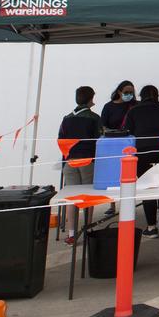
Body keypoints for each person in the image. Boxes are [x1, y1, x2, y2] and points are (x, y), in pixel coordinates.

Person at [123, 84, 159, 238]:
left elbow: (129, 135)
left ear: (141, 96)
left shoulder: (133, 111)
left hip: (143, 153)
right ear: (157, 95)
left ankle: (151, 227)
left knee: (148, 188)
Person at [58, 86, 102, 245]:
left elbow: (61, 140)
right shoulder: (94, 118)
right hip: (88, 161)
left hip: (70, 161)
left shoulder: (66, 118)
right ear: (91, 98)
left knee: (72, 198)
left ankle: (71, 234)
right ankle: (88, 230)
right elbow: (101, 139)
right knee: (88, 197)